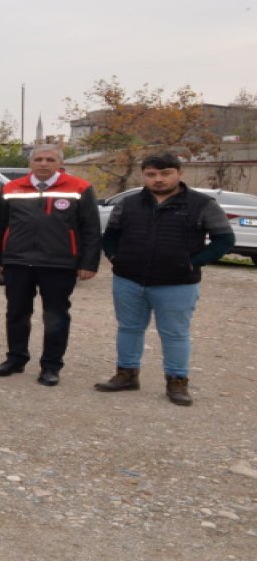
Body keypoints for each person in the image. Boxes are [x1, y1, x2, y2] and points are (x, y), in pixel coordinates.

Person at [96, 153, 235, 405]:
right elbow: (110, 235)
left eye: (165, 173)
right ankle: (126, 374)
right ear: (144, 175)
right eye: (151, 174)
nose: (158, 179)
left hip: (177, 283)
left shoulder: (202, 204)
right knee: (129, 328)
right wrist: (116, 257)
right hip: (129, 280)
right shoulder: (128, 204)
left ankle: (177, 382)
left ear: (179, 174)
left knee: (175, 333)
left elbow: (225, 240)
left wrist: (194, 262)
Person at [0, 144, 101, 386]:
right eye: (38, 159)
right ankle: (15, 359)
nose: (43, 163)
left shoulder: (79, 187)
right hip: (18, 262)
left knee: (56, 316)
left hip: (59, 264)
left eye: (49, 159)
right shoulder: (10, 188)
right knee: (17, 313)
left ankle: (51, 366)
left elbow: (91, 229)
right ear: (30, 163)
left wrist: (88, 262)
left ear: (60, 163)